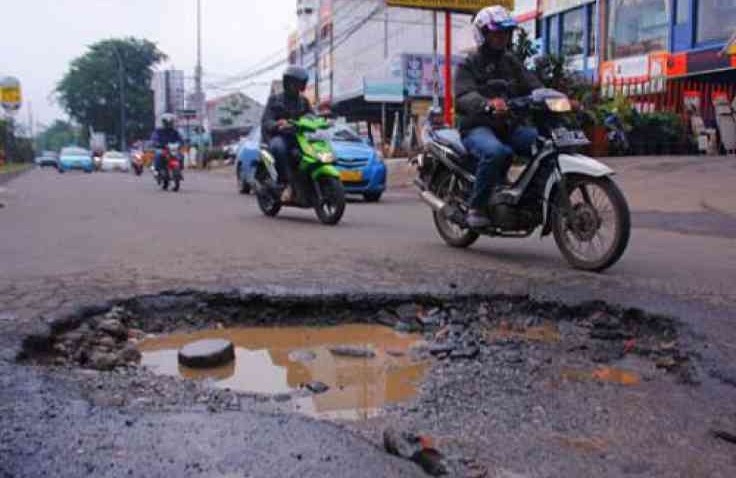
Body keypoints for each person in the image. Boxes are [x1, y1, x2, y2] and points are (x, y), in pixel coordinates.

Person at [455, 5, 543, 228]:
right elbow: (464, 94)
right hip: (476, 126)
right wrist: (487, 104)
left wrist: (556, 97)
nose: (501, 37)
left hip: (507, 126)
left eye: (505, 32)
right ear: (483, 34)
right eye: (496, 32)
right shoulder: (470, 63)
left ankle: (528, 198)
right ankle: (477, 206)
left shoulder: (510, 62)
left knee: (543, 144)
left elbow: (533, 85)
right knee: (496, 152)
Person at [261, 66, 313, 201]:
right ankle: (286, 183)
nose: (297, 86)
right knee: (279, 148)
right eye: (294, 83)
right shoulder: (275, 100)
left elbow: (312, 116)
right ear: (287, 83)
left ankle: (308, 182)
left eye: (300, 83)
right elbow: (266, 120)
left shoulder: (304, 101)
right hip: (279, 137)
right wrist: (277, 124)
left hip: (298, 137)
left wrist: (323, 121)